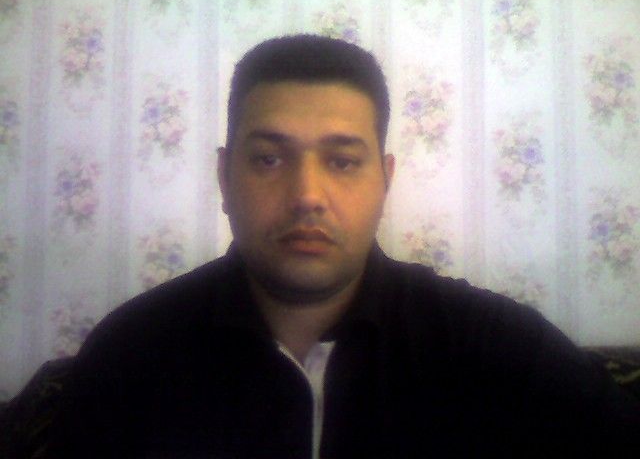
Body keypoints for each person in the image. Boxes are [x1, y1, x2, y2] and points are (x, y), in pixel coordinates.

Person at [45, 35, 638, 458]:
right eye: (268, 159)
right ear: (224, 178)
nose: (307, 195)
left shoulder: (500, 352)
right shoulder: (130, 356)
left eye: (343, 161)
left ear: (385, 180)